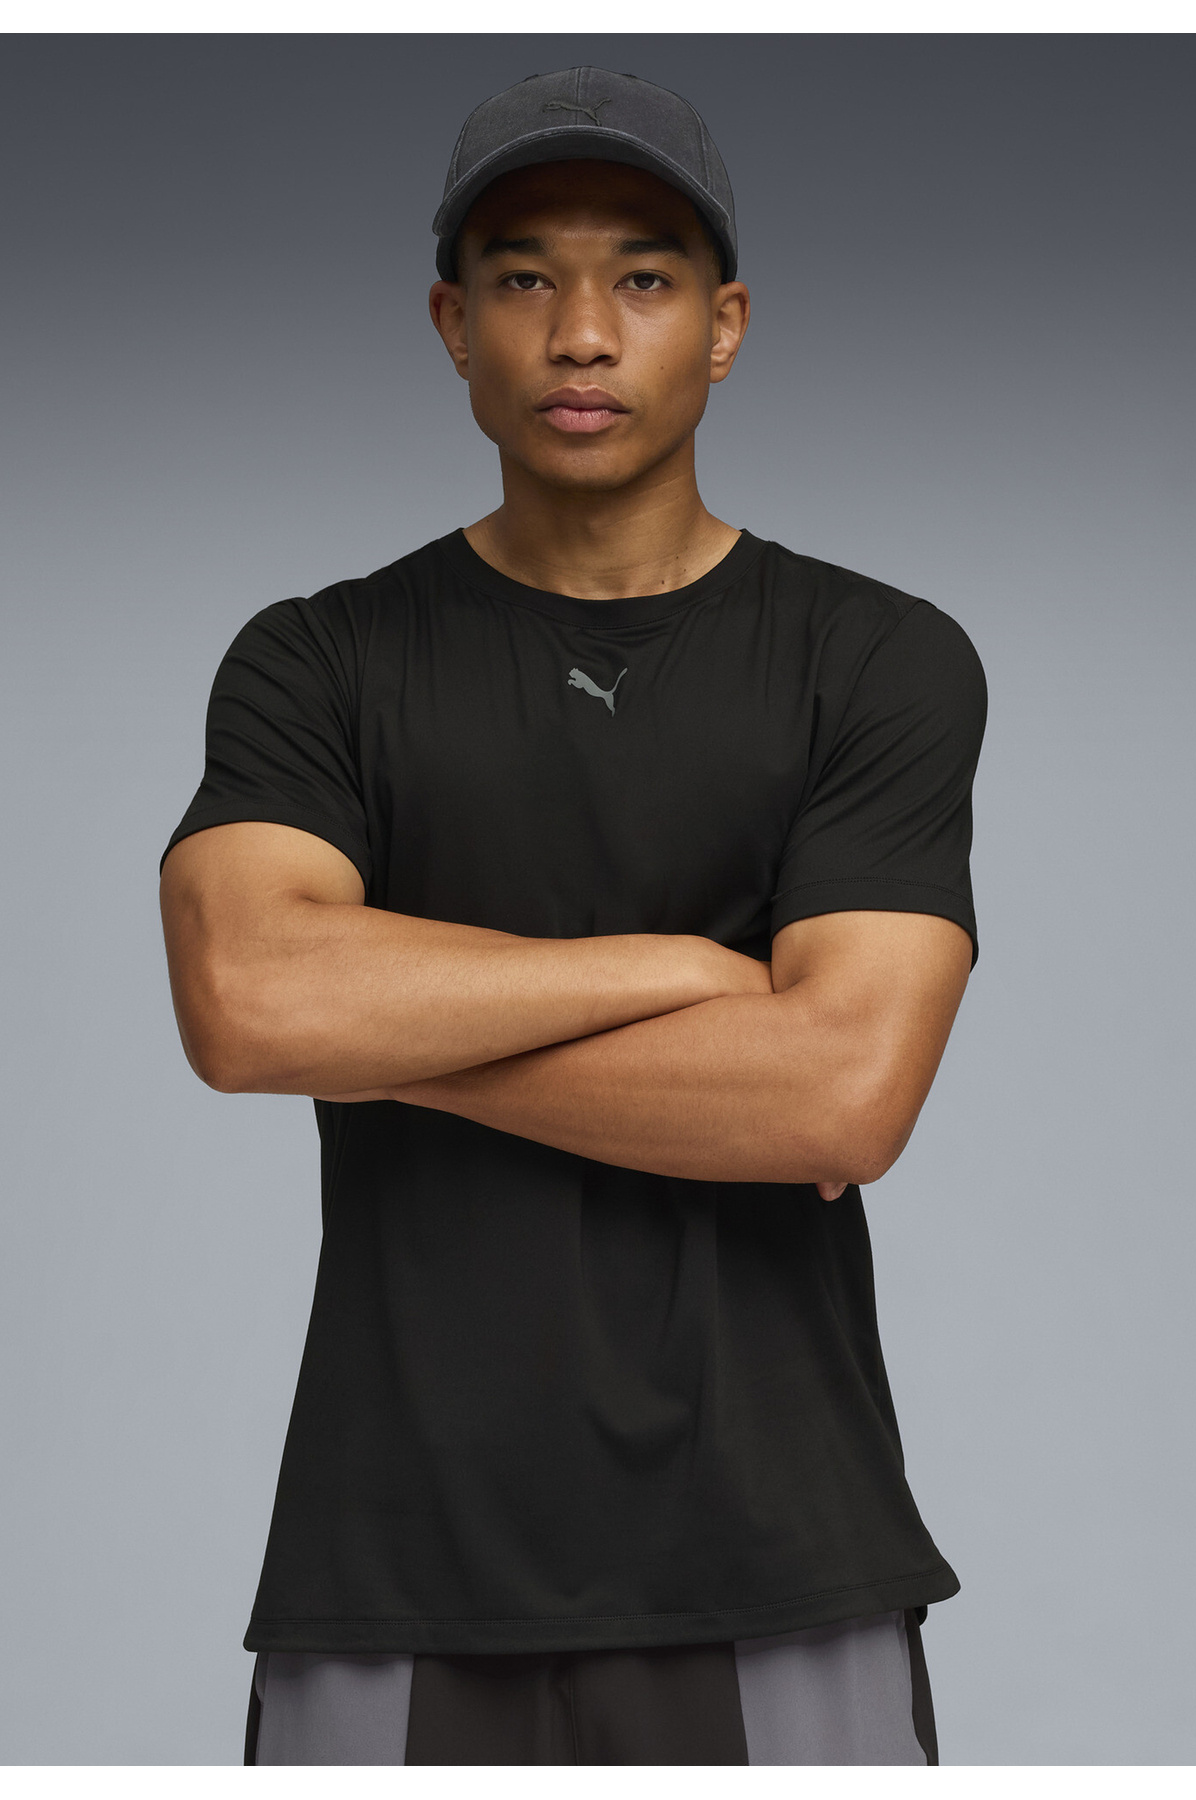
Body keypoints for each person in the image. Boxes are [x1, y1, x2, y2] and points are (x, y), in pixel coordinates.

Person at [159, 65, 987, 1766]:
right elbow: (248, 1002)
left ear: (726, 325)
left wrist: (387, 1035)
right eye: (526, 277)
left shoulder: (875, 658)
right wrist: (683, 974)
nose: (583, 333)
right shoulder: (320, 659)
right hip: (392, 1566)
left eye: (645, 277)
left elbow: (839, 1098)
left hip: (782, 1558)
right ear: (453, 325)